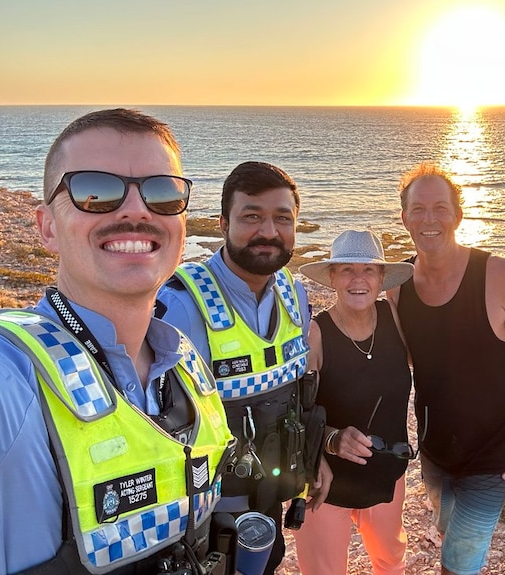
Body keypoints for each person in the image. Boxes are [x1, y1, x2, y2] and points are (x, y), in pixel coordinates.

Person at [0, 109, 236, 574]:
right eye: (94, 191)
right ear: (47, 227)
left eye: (162, 193)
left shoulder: (183, 363)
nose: (136, 210)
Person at [157, 161, 331, 574]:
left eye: (282, 218)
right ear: (222, 223)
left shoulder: (294, 295)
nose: (269, 231)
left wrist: (314, 455)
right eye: (252, 216)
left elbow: (295, 394)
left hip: (268, 505)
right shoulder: (181, 305)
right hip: (200, 522)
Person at [388, 163, 505, 575]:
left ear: (458, 215)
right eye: (419, 209)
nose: (430, 219)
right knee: (448, 532)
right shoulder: (396, 289)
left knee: (461, 557)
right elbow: (402, 361)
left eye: (441, 208)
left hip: (494, 452)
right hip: (436, 448)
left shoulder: (500, 275)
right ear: (404, 217)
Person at [293, 230, 415, 575]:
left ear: (381, 279)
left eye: (369, 270)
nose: (358, 279)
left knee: (390, 562)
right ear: (332, 278)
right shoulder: (314, 334)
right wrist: (330, 440)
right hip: (325, 481)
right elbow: (290, 409)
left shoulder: (395, 318)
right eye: (347, 269)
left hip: (388, 471)